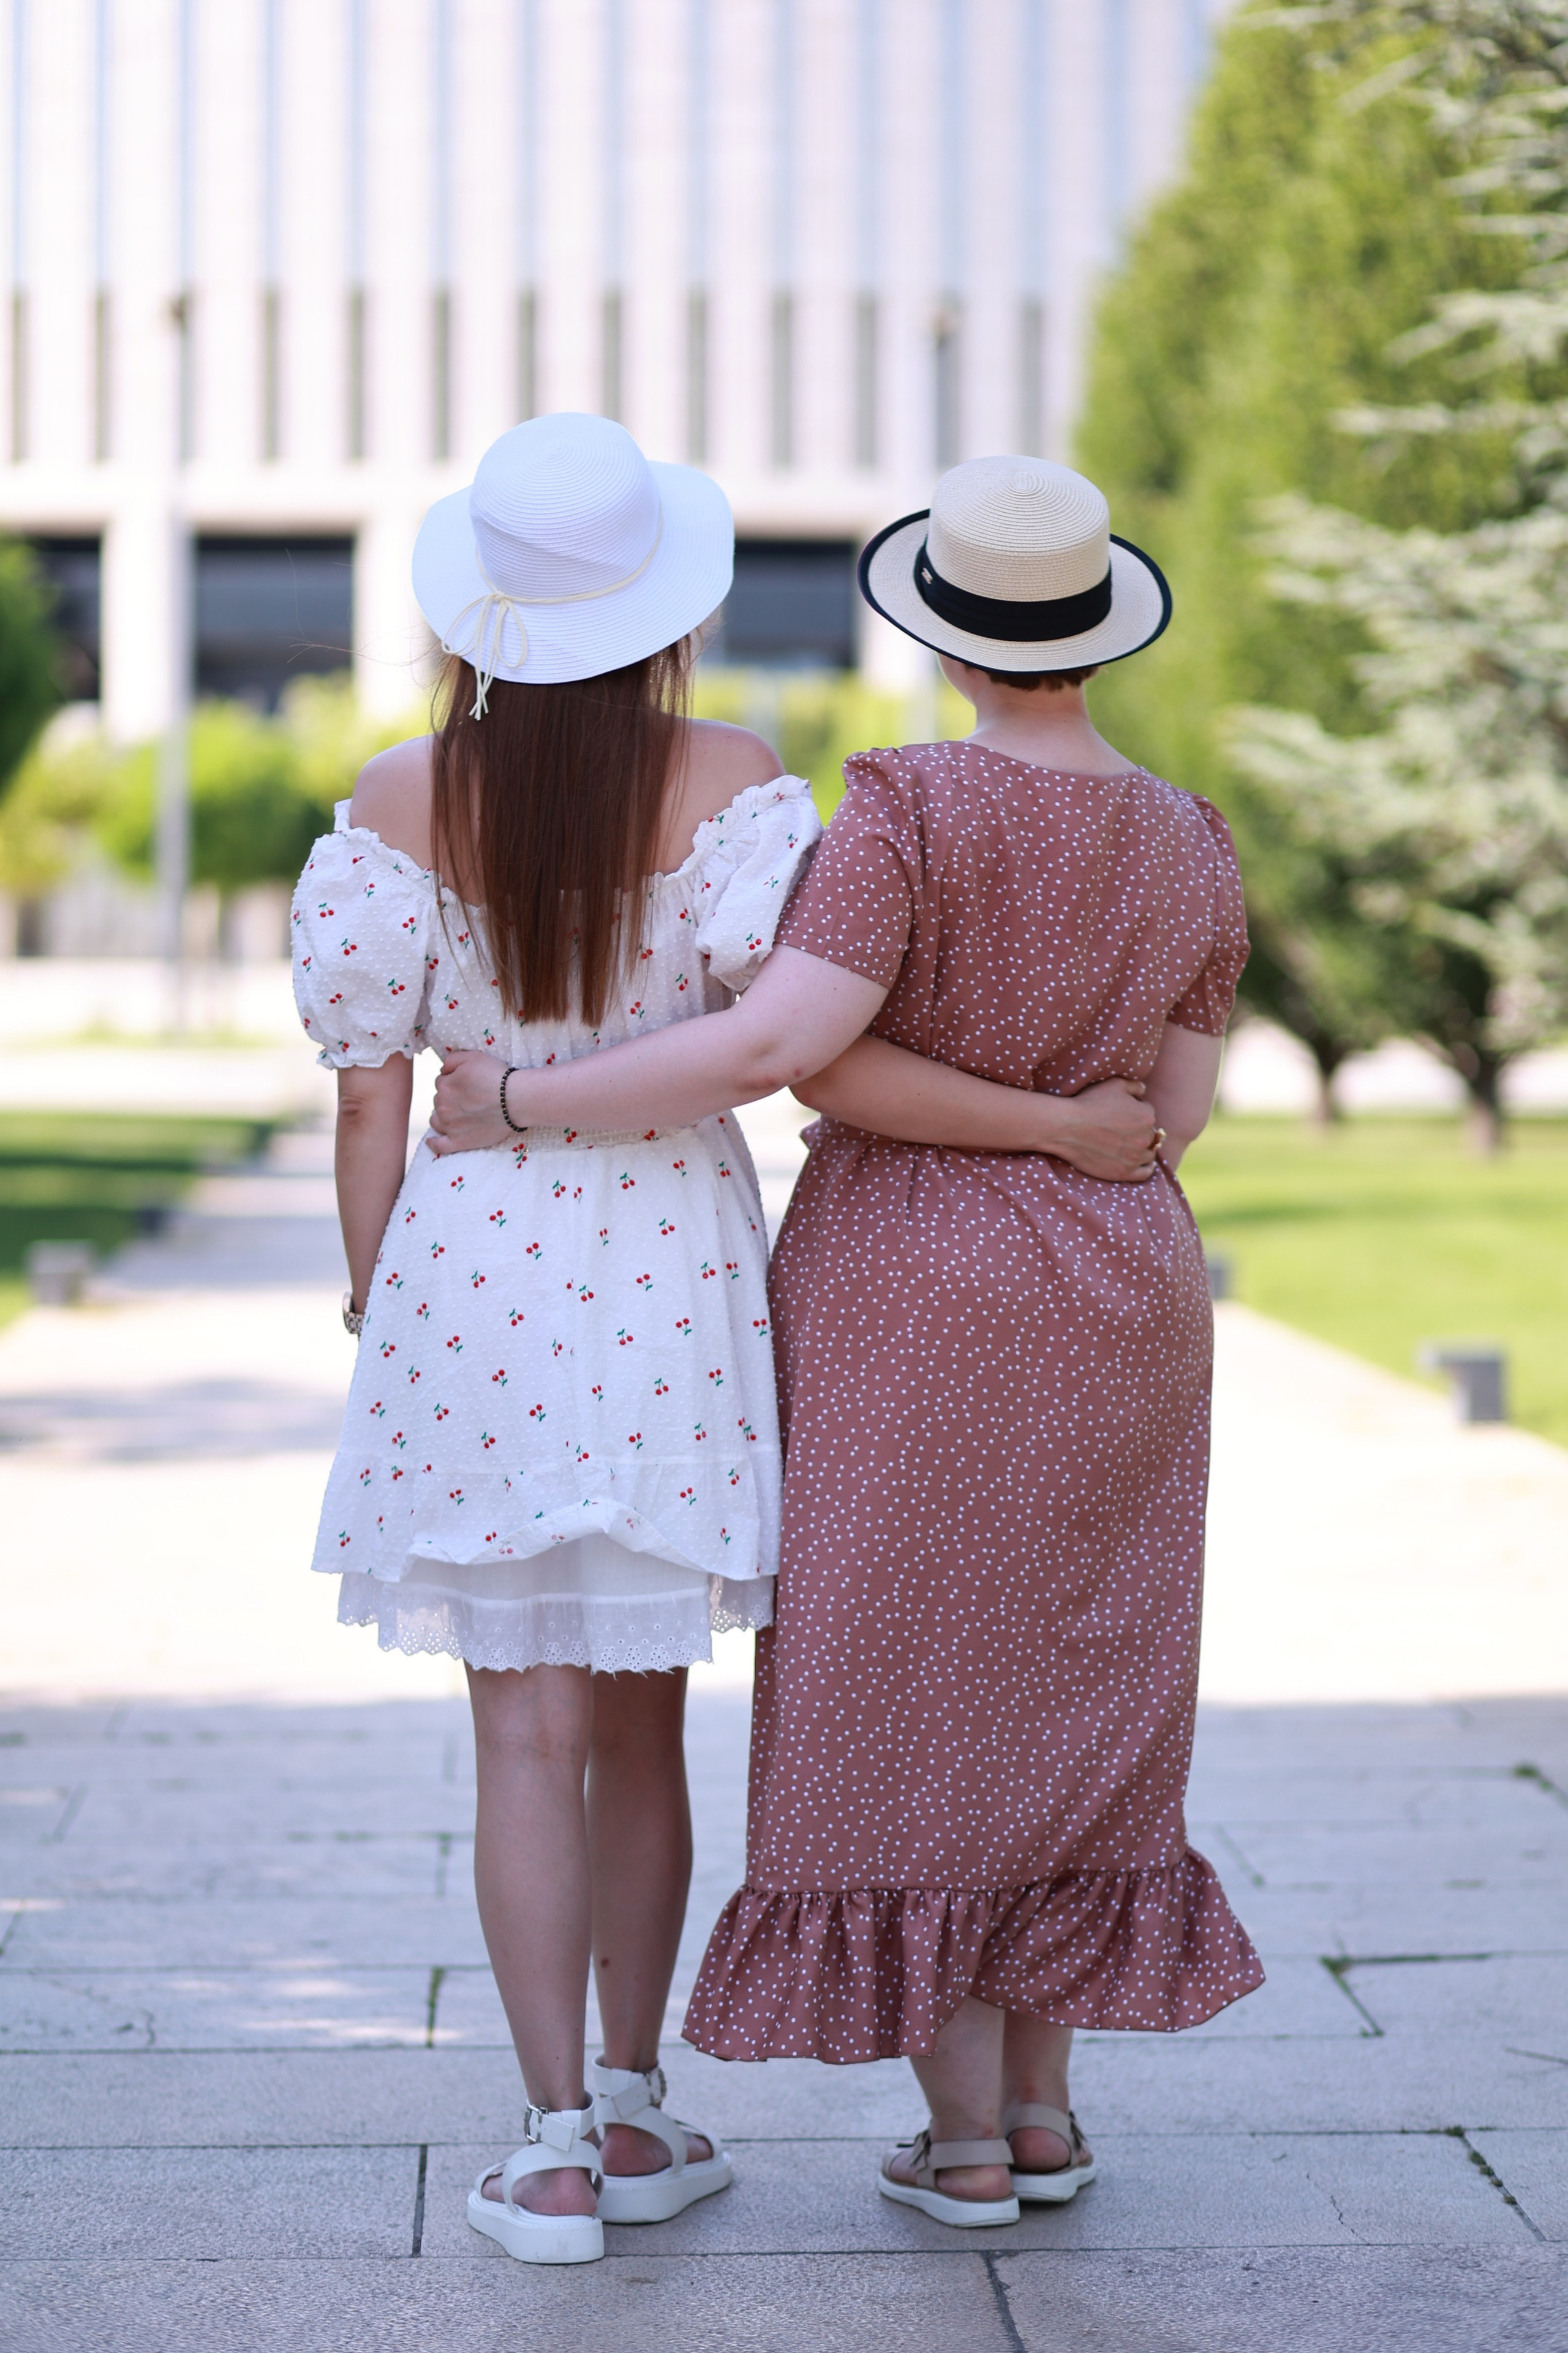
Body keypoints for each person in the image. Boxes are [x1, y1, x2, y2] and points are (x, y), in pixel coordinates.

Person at [298, 418, 1160, 2267]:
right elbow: (797, 1018)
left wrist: (381, 1294)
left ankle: (544, 2151)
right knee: (644, 1726)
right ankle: (634, 2094)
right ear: (666, 607)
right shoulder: (743, 780)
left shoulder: (386, 804)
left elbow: (373, 1106)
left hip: (472, 1282)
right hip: (667, 1279)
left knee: (514, 1738)